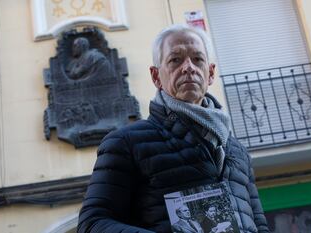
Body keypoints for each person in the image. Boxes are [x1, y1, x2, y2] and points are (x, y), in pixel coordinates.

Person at [76, 24, 270, 233]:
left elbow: (259, 226)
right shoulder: (126, 142)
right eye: (175, 60)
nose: (188, 67)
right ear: (156, 76)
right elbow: (92, 224)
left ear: (211, 73)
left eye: (198, 59)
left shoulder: (237, 151)